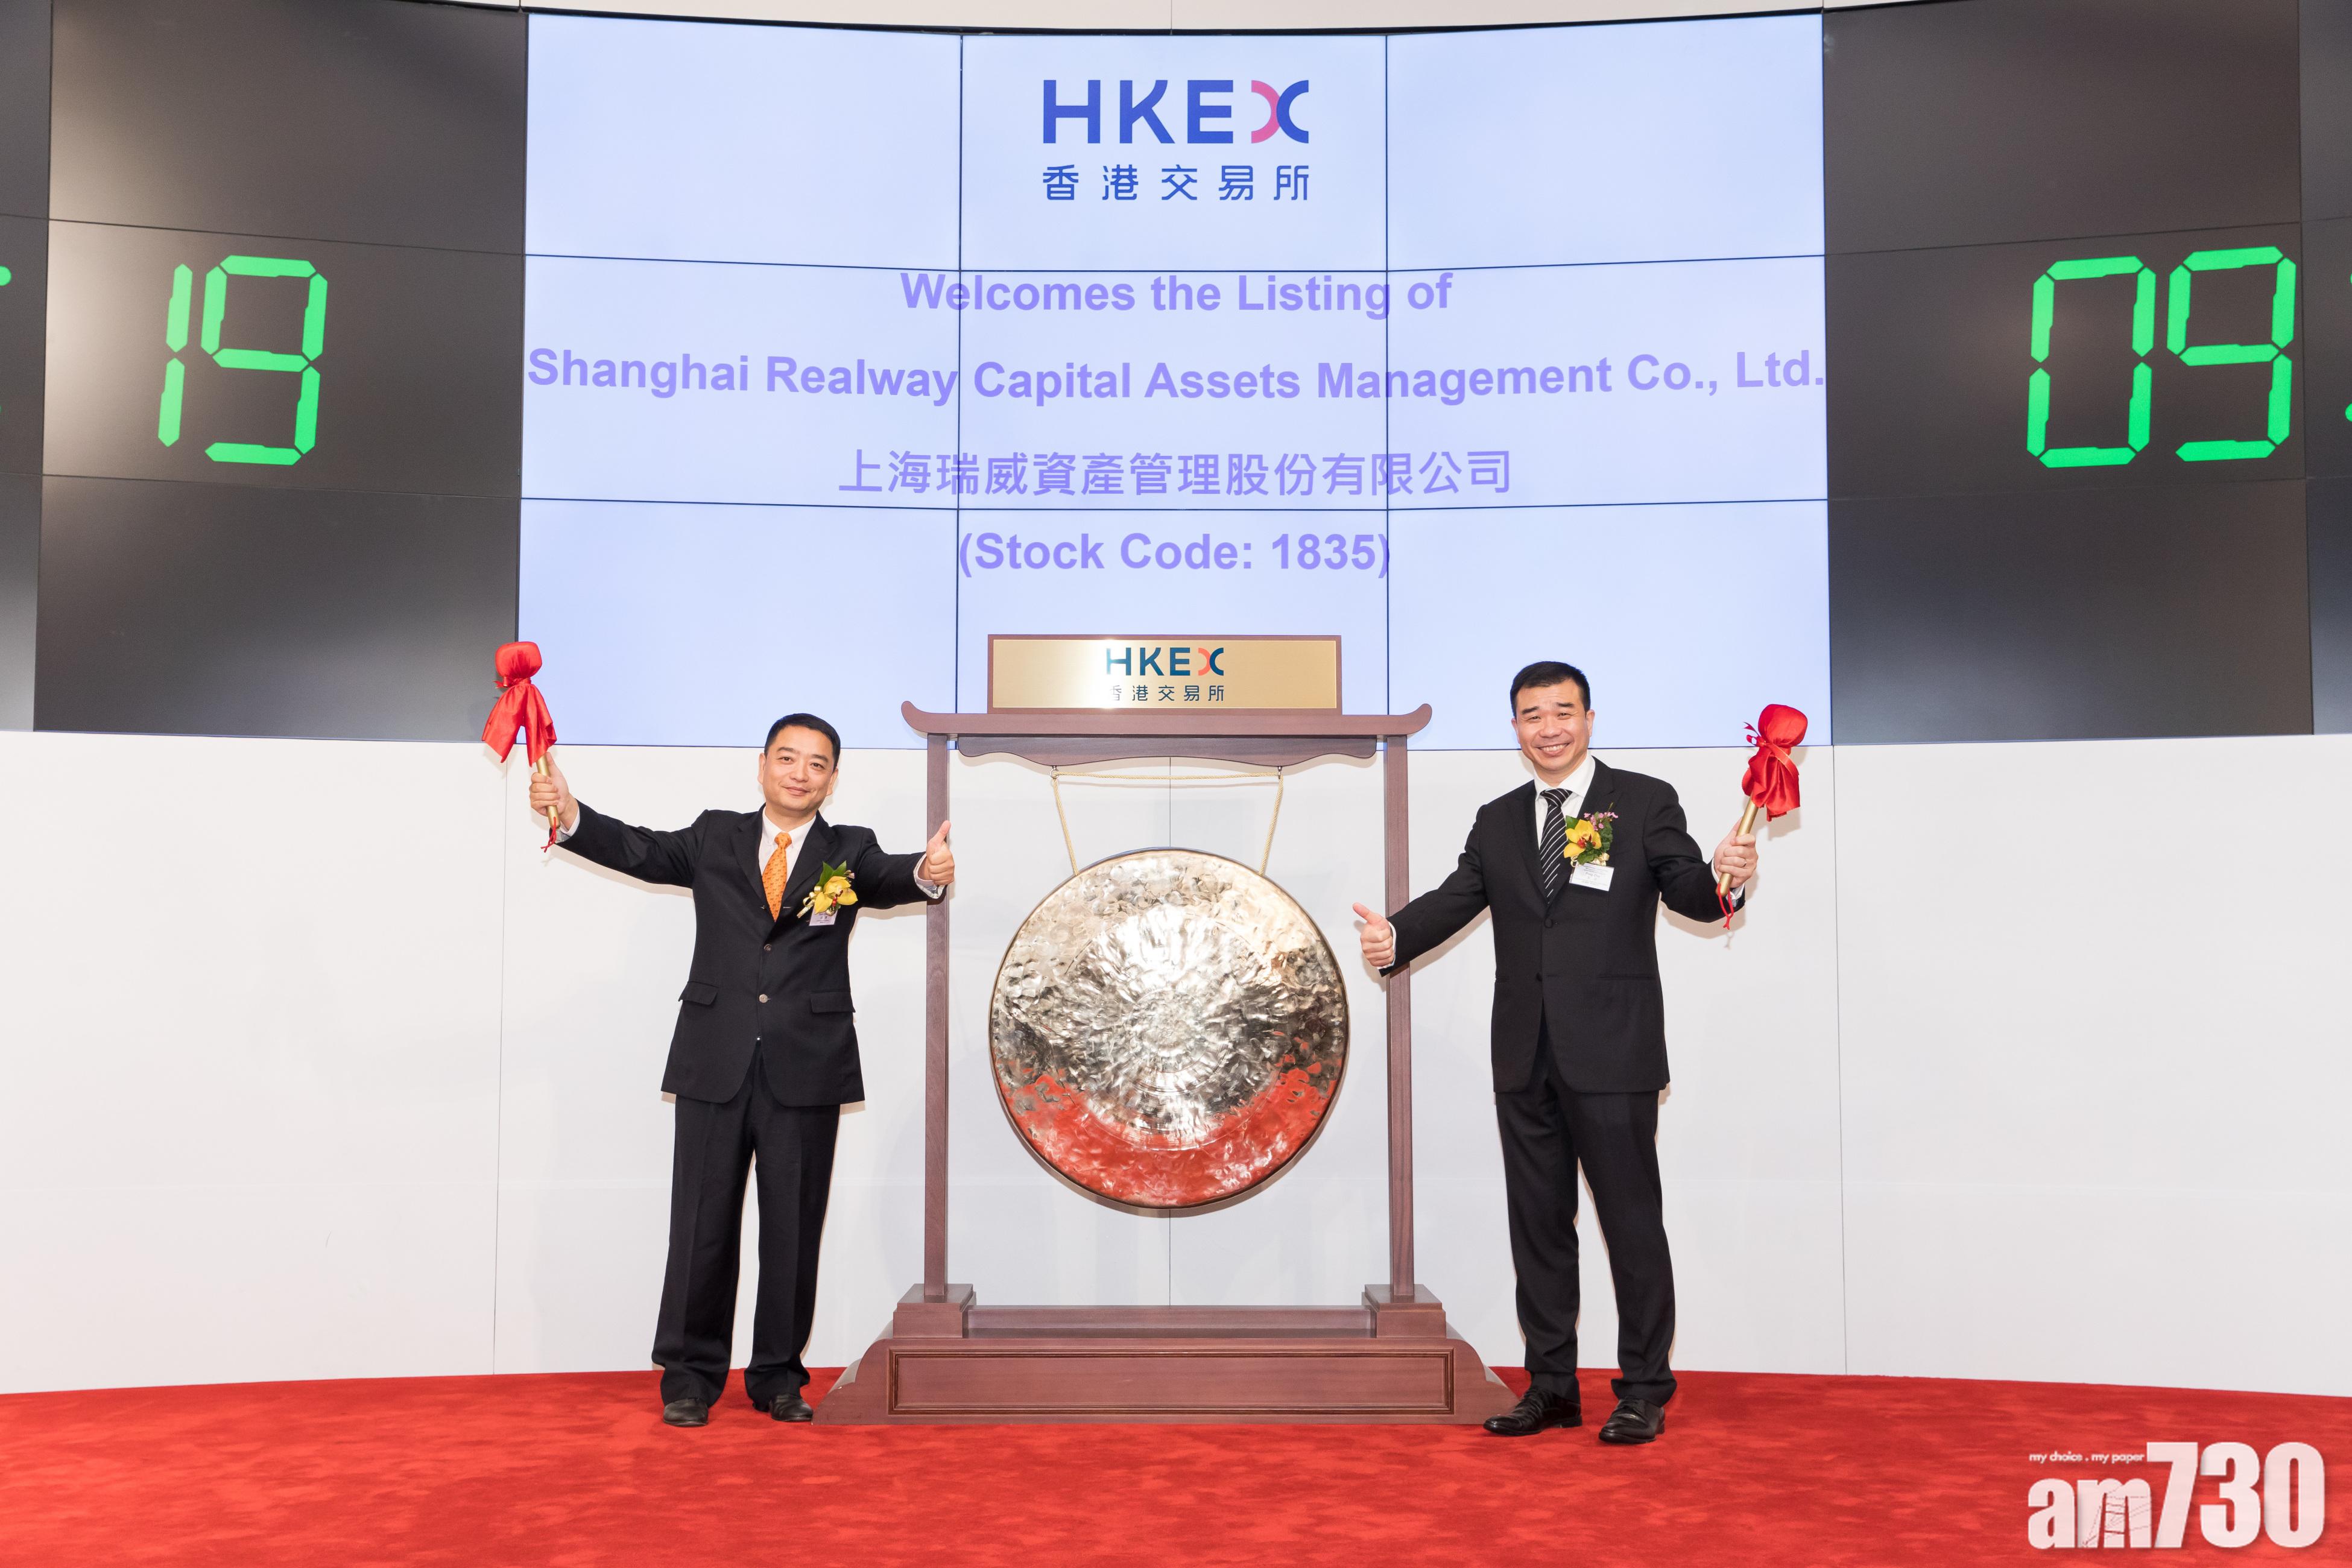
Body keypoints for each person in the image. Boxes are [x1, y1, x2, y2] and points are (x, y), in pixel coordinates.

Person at [1353, 662, 1756, 1445]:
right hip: (1524, 1055)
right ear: (1515, 727)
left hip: (1614, 1052)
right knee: (1538, 1226)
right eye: (1533, 715)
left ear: (1589, 718)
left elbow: (1689, 893)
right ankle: (1551, 1387)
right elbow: (1458, 896)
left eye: (1563, 711)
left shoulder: (1643, 800)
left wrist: (1725, 879)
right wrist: (1395, 935)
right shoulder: (1499, 819)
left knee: (1631, 1223)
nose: (1549, 728)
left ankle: (1644, 1389)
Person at [530, 713, 953, 1427]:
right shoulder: (713, 835)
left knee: (793, 1229)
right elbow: (640, 850)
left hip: (806, 1064)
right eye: (787, 758)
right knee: (701, 1224)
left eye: (816, 763)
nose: (799, 773)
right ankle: (690, 1378)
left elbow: (892, 876)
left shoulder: (848, 849)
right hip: (714, 1057)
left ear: (833, 779)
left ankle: (778, 1377)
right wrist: (571, 812)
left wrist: (926, 872)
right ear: (762, 766)